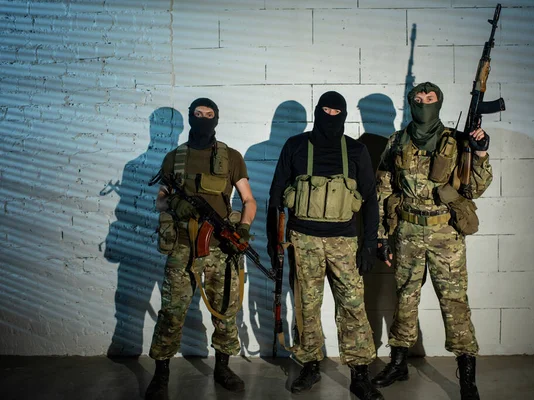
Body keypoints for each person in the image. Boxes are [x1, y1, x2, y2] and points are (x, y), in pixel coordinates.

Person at [372, 82, 492, 400]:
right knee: (405, 300)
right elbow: (384, 189)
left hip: (445, 235)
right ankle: (399, 362)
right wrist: (382, 237)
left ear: (439, 103)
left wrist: (479, 153)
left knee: (454, 304)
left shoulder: (456, 140)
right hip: (408, 232)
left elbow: (475, 189)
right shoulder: (397, 141)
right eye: (418, 99)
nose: (424, 104)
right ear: (410, 103)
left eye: (430, 99)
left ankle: (467, 376)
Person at [267, 91, 384, 400]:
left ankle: (360, 374)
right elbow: (276, 195)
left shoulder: (357, 151)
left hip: (345, 242)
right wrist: (273, 242)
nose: (331, 116)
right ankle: (309, 365)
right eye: (326, 109)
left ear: (344, 114)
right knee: (307, 307)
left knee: (353, 307)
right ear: (317, 111)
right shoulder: (295, 146)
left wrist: (369, 245)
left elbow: (371, 199)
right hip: (302, 241)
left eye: (337, 111)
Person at [145, 98, 257, 399]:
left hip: (220, 248)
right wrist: (177, 204)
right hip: (182, 246)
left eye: (209, 115)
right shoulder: (174, 158)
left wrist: (243, 229)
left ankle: (222, 368)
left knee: (224, 312)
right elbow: (160, 200)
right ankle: (161, 373)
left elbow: (249, 200)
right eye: (198, 114)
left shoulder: (230, 157)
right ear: (190, 119)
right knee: (172, 312)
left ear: (217, 119)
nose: (204, 119)